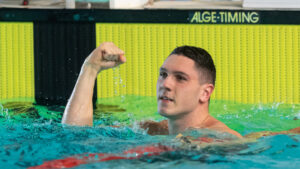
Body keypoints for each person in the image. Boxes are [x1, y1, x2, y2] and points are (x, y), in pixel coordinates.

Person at [61, 42, 241, 138]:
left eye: (180, 78)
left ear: (205, 93)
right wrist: (90, 69)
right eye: (163, 74)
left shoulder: (221, 138)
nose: (166, 84)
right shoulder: (150, 129)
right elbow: (75, 136)